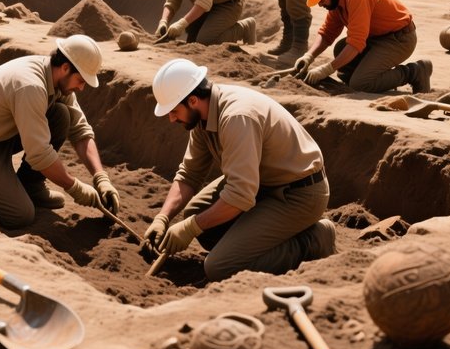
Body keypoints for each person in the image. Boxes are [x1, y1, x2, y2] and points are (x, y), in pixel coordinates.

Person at [143, 59, 336, 281]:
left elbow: (239, 195)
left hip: (298, 195)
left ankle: (313, 240)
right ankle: (250, 244)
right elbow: (189, 174)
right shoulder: (202, 118)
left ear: (193, 100)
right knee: (197, 216)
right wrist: (163, 218)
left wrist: (190, 228)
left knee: (219, 267)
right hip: (262, 184)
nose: (171, 118)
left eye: (174, 111)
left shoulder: (236, 117)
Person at [0, 35, 121, 229]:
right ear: (65, 68)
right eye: (80, 80)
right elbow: (40, 154)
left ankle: (31, 186)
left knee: (61, 115)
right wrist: (74, 187)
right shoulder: (31, 86)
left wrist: (100, 178)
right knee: (19, 215)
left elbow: (80, 130)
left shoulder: (57, 80)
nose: (81, 87)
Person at [292, 0, 433, 93]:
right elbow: (327, 33)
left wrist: (327, 69)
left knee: (361, 83)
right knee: (341, 49)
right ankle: (381, 78)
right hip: (378, 37)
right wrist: (308, 56)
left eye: (321, 1)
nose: (320, 5)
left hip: (399, 40)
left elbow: (356, 43)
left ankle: (415, 71)